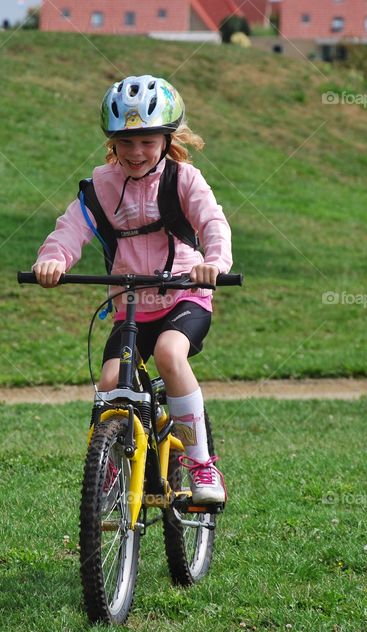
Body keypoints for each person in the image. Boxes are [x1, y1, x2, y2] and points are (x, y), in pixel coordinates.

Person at [31, 75, 233, 504]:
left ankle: (201, 465)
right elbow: (71, 229)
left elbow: (213, 223)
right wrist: (53, 259)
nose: (136, 152)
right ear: (112, 143)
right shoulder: (101, 187)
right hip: (131, 306)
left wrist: (213, 263)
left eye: (146, 141)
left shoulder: (184, 180)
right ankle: (106, 471)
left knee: (168, 354)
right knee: (108, 380)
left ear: (165, 138)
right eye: (126, 143)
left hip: (183, 294)